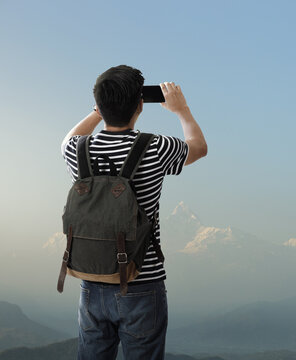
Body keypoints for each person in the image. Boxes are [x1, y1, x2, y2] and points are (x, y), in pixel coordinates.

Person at [60, 65, 208, 360]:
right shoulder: (156, 147)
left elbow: (69, 137)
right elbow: (199, 147)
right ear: (140, 104)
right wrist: (182, 110)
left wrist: (99, 109)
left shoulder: (78, 150)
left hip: (92, 279)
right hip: (143, 282)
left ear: (99, 104)